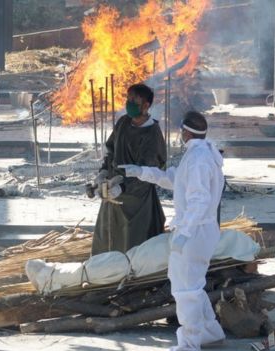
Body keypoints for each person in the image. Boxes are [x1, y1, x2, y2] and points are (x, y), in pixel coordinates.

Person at [119, 111, 225, 351]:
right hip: (201, 230)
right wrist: (140, 171)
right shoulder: (201, 154)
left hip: (194, 231)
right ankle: (210, 333)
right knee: (194, 285)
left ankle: (189, 343)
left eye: (181, 131)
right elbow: (175, 179)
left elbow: (198, 200)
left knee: (184, 288)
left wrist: (184, 234)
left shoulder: (198, 158)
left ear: (186, 132)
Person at [90, 83, 167, 255]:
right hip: (113, 194)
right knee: (107, 240)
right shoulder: (123, 123)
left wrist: (123, 187)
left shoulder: (152, 134)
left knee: (134, 246)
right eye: (128, 99)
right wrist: (104, 172)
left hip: (138, 201)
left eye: (134, 100)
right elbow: (111, 149)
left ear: (146, 105)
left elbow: (149, 171)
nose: (129, 103)